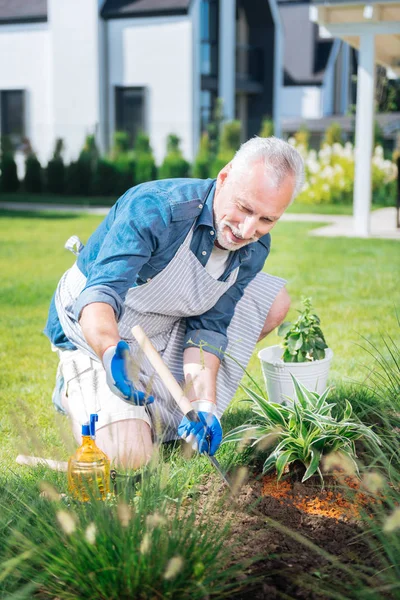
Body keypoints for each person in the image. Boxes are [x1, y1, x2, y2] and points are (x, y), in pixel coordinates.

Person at [45, 136, 304, 469]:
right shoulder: (157, 207)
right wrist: (109, 351)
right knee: (130, 456)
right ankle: (76, 384)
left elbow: (209, 327)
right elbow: (101, 295)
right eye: (245, 208)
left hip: (164, 323)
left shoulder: (255, 247)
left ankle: (155, 405)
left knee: (273, 301)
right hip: (97, 326)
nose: (248, 229)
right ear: (224, 178)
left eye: (267, 220)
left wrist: (204, 402)